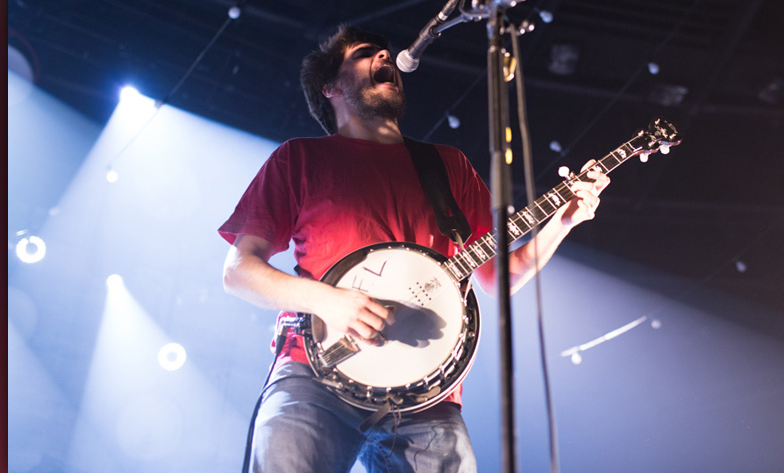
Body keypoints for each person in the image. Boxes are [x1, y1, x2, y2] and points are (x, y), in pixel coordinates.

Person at [218, 24, 610, 473]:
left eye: (386, 52)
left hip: (427, 395)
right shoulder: (299, 158)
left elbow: (499, 278)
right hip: (316, 372)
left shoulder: (448, 166)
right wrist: (329, 301)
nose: (386, 57)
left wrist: (562, 222)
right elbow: (238, 271)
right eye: (367, 54)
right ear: (330, 88)